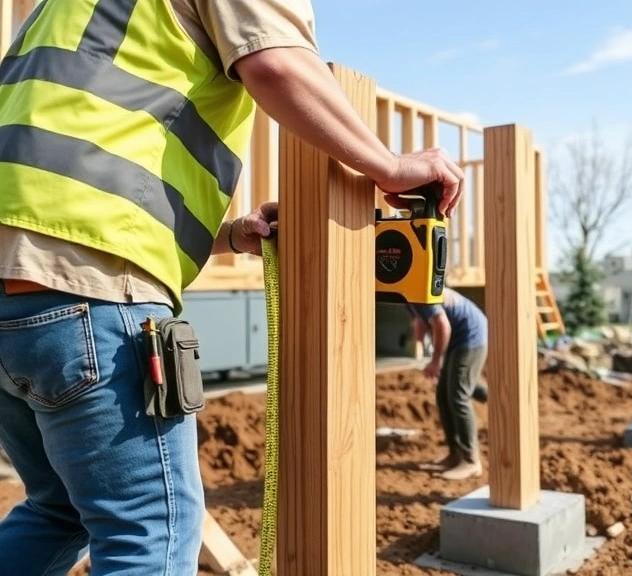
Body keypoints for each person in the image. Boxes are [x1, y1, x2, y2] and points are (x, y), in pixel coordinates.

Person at [0, 1, 464, 574]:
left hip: (21, 295)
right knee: (151, 530)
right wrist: (387, 166)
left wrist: (228, 235)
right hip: (87, 290)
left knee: (59, 510)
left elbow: (68, 168)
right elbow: (277, 65)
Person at [407, 288, 488, 480]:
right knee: (443, 395)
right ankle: (455, 455)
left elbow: (442, 325)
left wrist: (436, 361)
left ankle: (471, 461)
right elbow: (419, 320)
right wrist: (421, 348)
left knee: (458, 395)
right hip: (456, 338)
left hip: (470, 335)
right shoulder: (408, 294)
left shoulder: (420, 291)